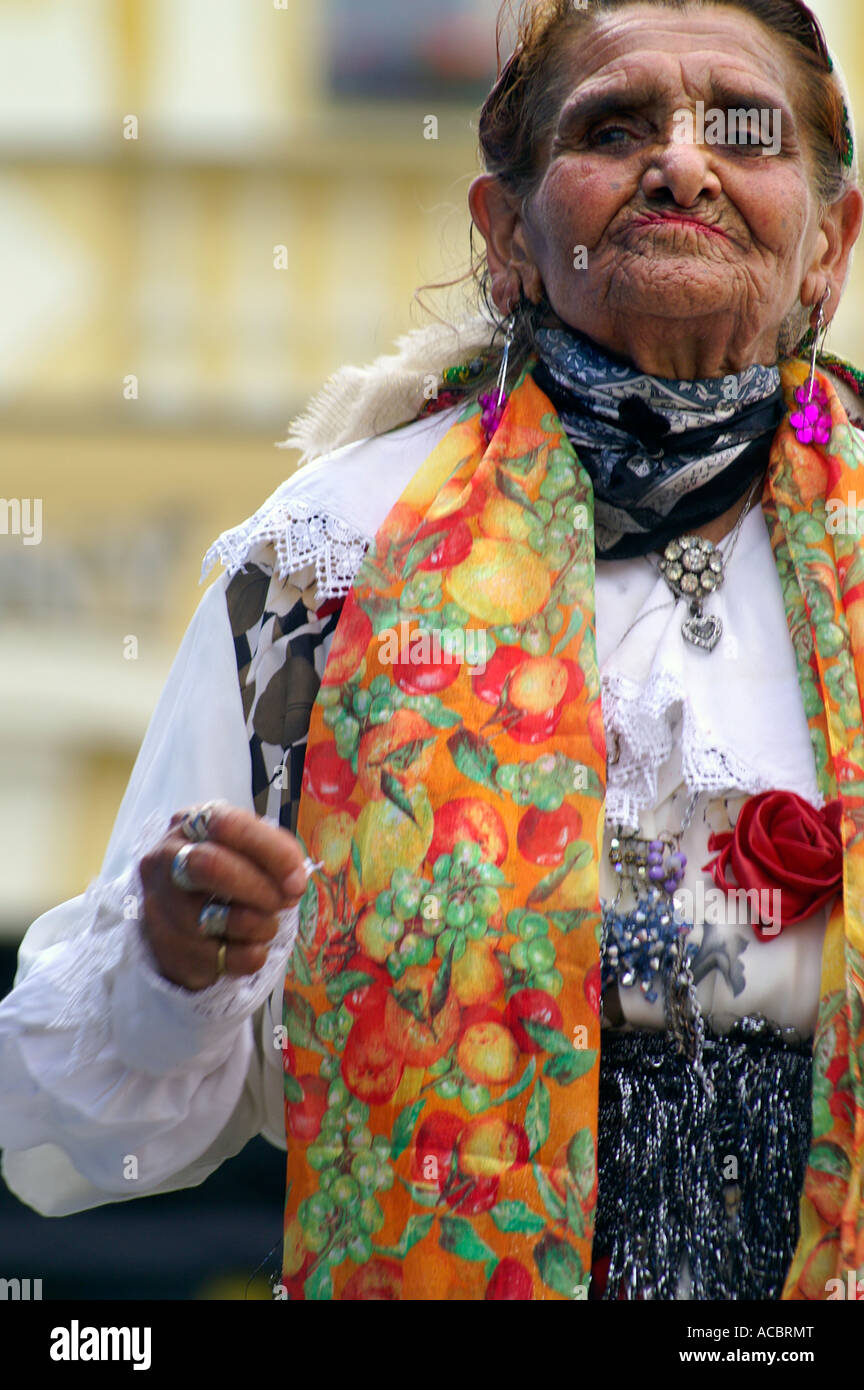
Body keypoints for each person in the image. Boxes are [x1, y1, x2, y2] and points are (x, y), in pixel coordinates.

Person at [2, 0, 864, 1301]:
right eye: (616, 125)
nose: (681, 164)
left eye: (742, 132)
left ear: (828, 248)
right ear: (507, 235)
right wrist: (178, 964)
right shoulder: (330, 555)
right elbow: (82, 1135)